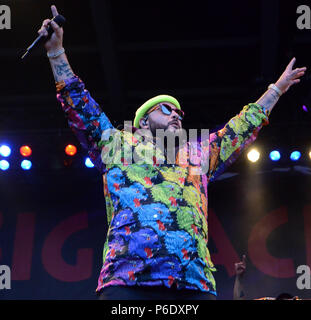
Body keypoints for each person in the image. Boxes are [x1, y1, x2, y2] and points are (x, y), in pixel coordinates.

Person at [38, 5, 307, 300]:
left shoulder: (198, 153)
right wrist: (55, 52)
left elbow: (240, 128)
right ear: (141, 124)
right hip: (127, 282)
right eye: (166, 108)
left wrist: (277, 89)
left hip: (193, 284)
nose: (177, 115)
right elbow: (79, 102)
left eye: (180, 112)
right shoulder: (116, 144)